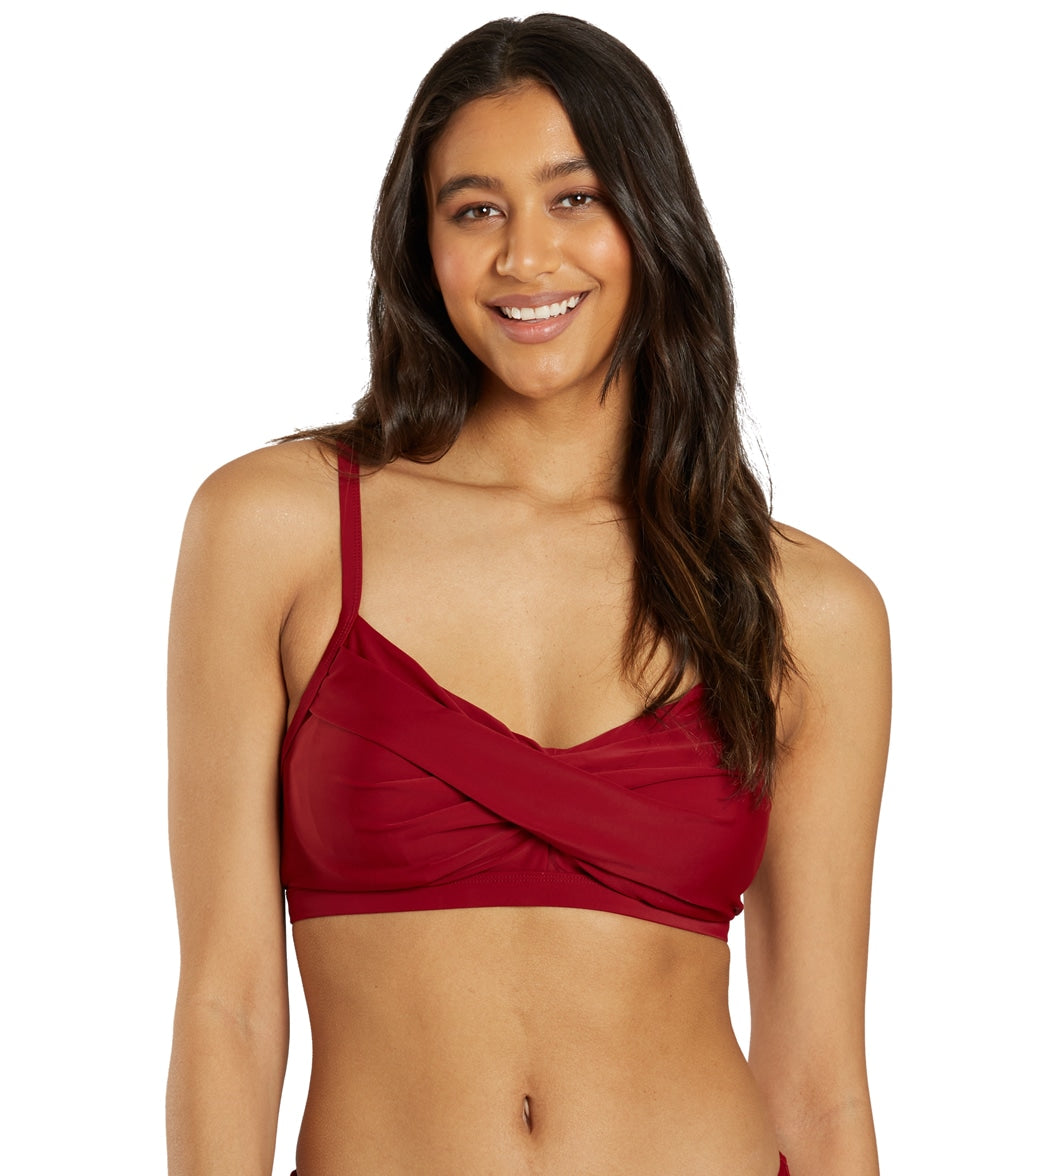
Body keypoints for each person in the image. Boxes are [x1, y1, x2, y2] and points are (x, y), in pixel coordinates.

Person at [166, 13, 889, 1176]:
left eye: (574, 198)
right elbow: (227, 1007)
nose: (525, 258)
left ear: (651, 221)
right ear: (423, 245)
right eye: (475, 210)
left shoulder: (811, 609)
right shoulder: (274, 531)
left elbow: (820, 1085)